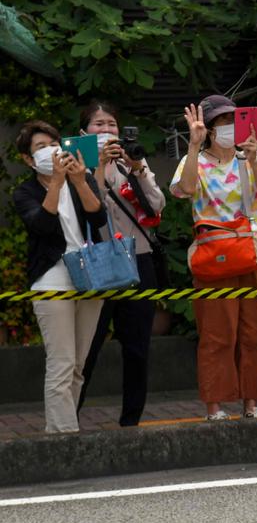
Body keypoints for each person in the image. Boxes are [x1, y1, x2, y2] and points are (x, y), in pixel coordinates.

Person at [171, 94, 257, 420]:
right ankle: (214, 406)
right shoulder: (195, 161)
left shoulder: (253, 157)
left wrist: (254, 157)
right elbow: (184, 189)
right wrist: (192, 146)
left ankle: (251, 402)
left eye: (233, 121)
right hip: (214, 256)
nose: (229, 128)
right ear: (210, 130)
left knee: (255, 331)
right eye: (221, 123)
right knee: (217, 333)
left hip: (253, 253)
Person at [76, 101, 166, 427]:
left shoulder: (132, 161)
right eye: (98, 124)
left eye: (111, 124)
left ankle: (131, 421)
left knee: (137, 348)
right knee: (88, 347)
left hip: (139, 259)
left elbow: (157, 205)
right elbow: (90, 209)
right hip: (98, 260)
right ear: (83, 132)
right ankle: (69, 420)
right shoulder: (75, 167)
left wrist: (139, 167)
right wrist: (98, 167)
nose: (106, 130)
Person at [14, 120, 106, 433]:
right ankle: (64, 437)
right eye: (40, 147)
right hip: (51, 281)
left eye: (53, 143)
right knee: (62, 364)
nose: (50, 151)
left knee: (78, 365)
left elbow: (99, 216)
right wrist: (55, 183)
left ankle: (65, 430)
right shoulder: (25, 192)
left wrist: (79, 181)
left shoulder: (82, 176)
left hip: (91, 275)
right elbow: (40, 225)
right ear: (28, 159)